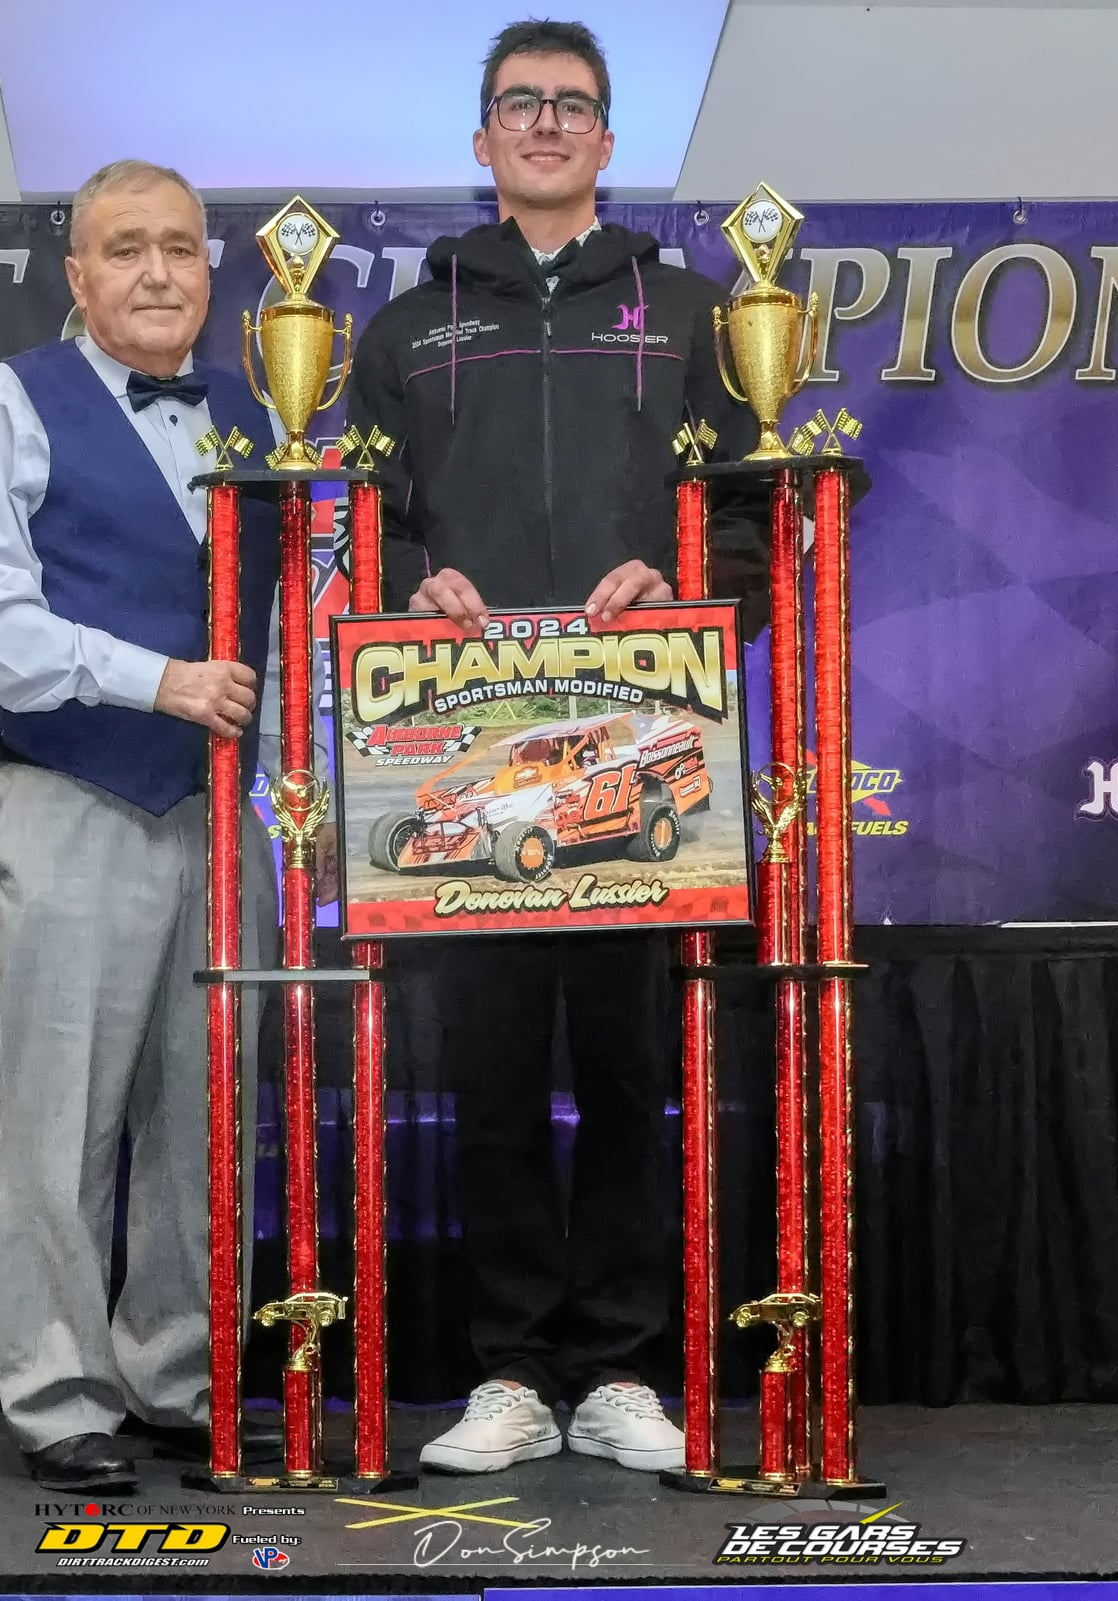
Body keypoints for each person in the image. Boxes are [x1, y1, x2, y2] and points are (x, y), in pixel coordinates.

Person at [346, 19, 766, 1475]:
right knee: (499, 1075)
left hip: (643, 752)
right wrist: (406, 586)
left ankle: (626, 1369)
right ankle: (516, 1370)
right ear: (480, 142)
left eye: (570, 105)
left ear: (605, 139)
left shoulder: (699, 311)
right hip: (471, 766)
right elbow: (359, 532)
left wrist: (691, 582)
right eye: (517, 105)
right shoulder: (403, 331)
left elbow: (766, 529)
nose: (543, 124)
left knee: (637, 1067)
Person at [0, 158, 279, 1494]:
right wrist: (163, 678)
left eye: (180, 248)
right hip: (74, 798)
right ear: (75, 276)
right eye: (124, 248)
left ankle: (179, 1377)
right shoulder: (11, 403)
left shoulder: (257, 415)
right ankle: (60, 1390)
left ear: (212, 270)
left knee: (205, 1122)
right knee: (60, 1119)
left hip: (224, 815)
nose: (155, 271)